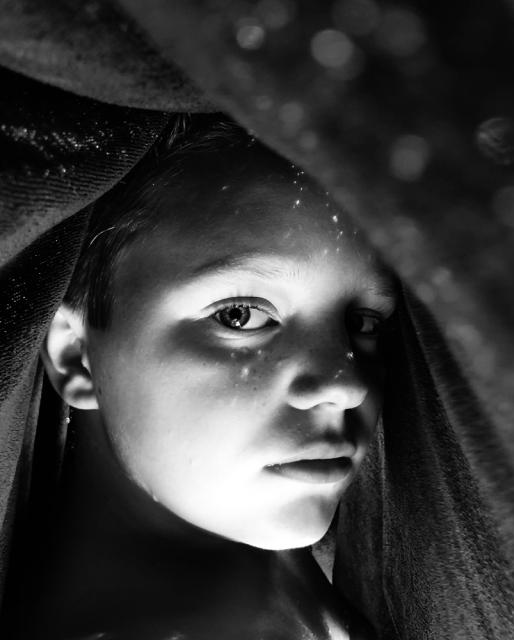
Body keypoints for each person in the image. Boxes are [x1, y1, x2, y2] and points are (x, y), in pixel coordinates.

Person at [32, 115, 397, 639]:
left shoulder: (241, 548)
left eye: (361, 322)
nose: (346, 384)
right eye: (241, 316)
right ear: (76, 356)